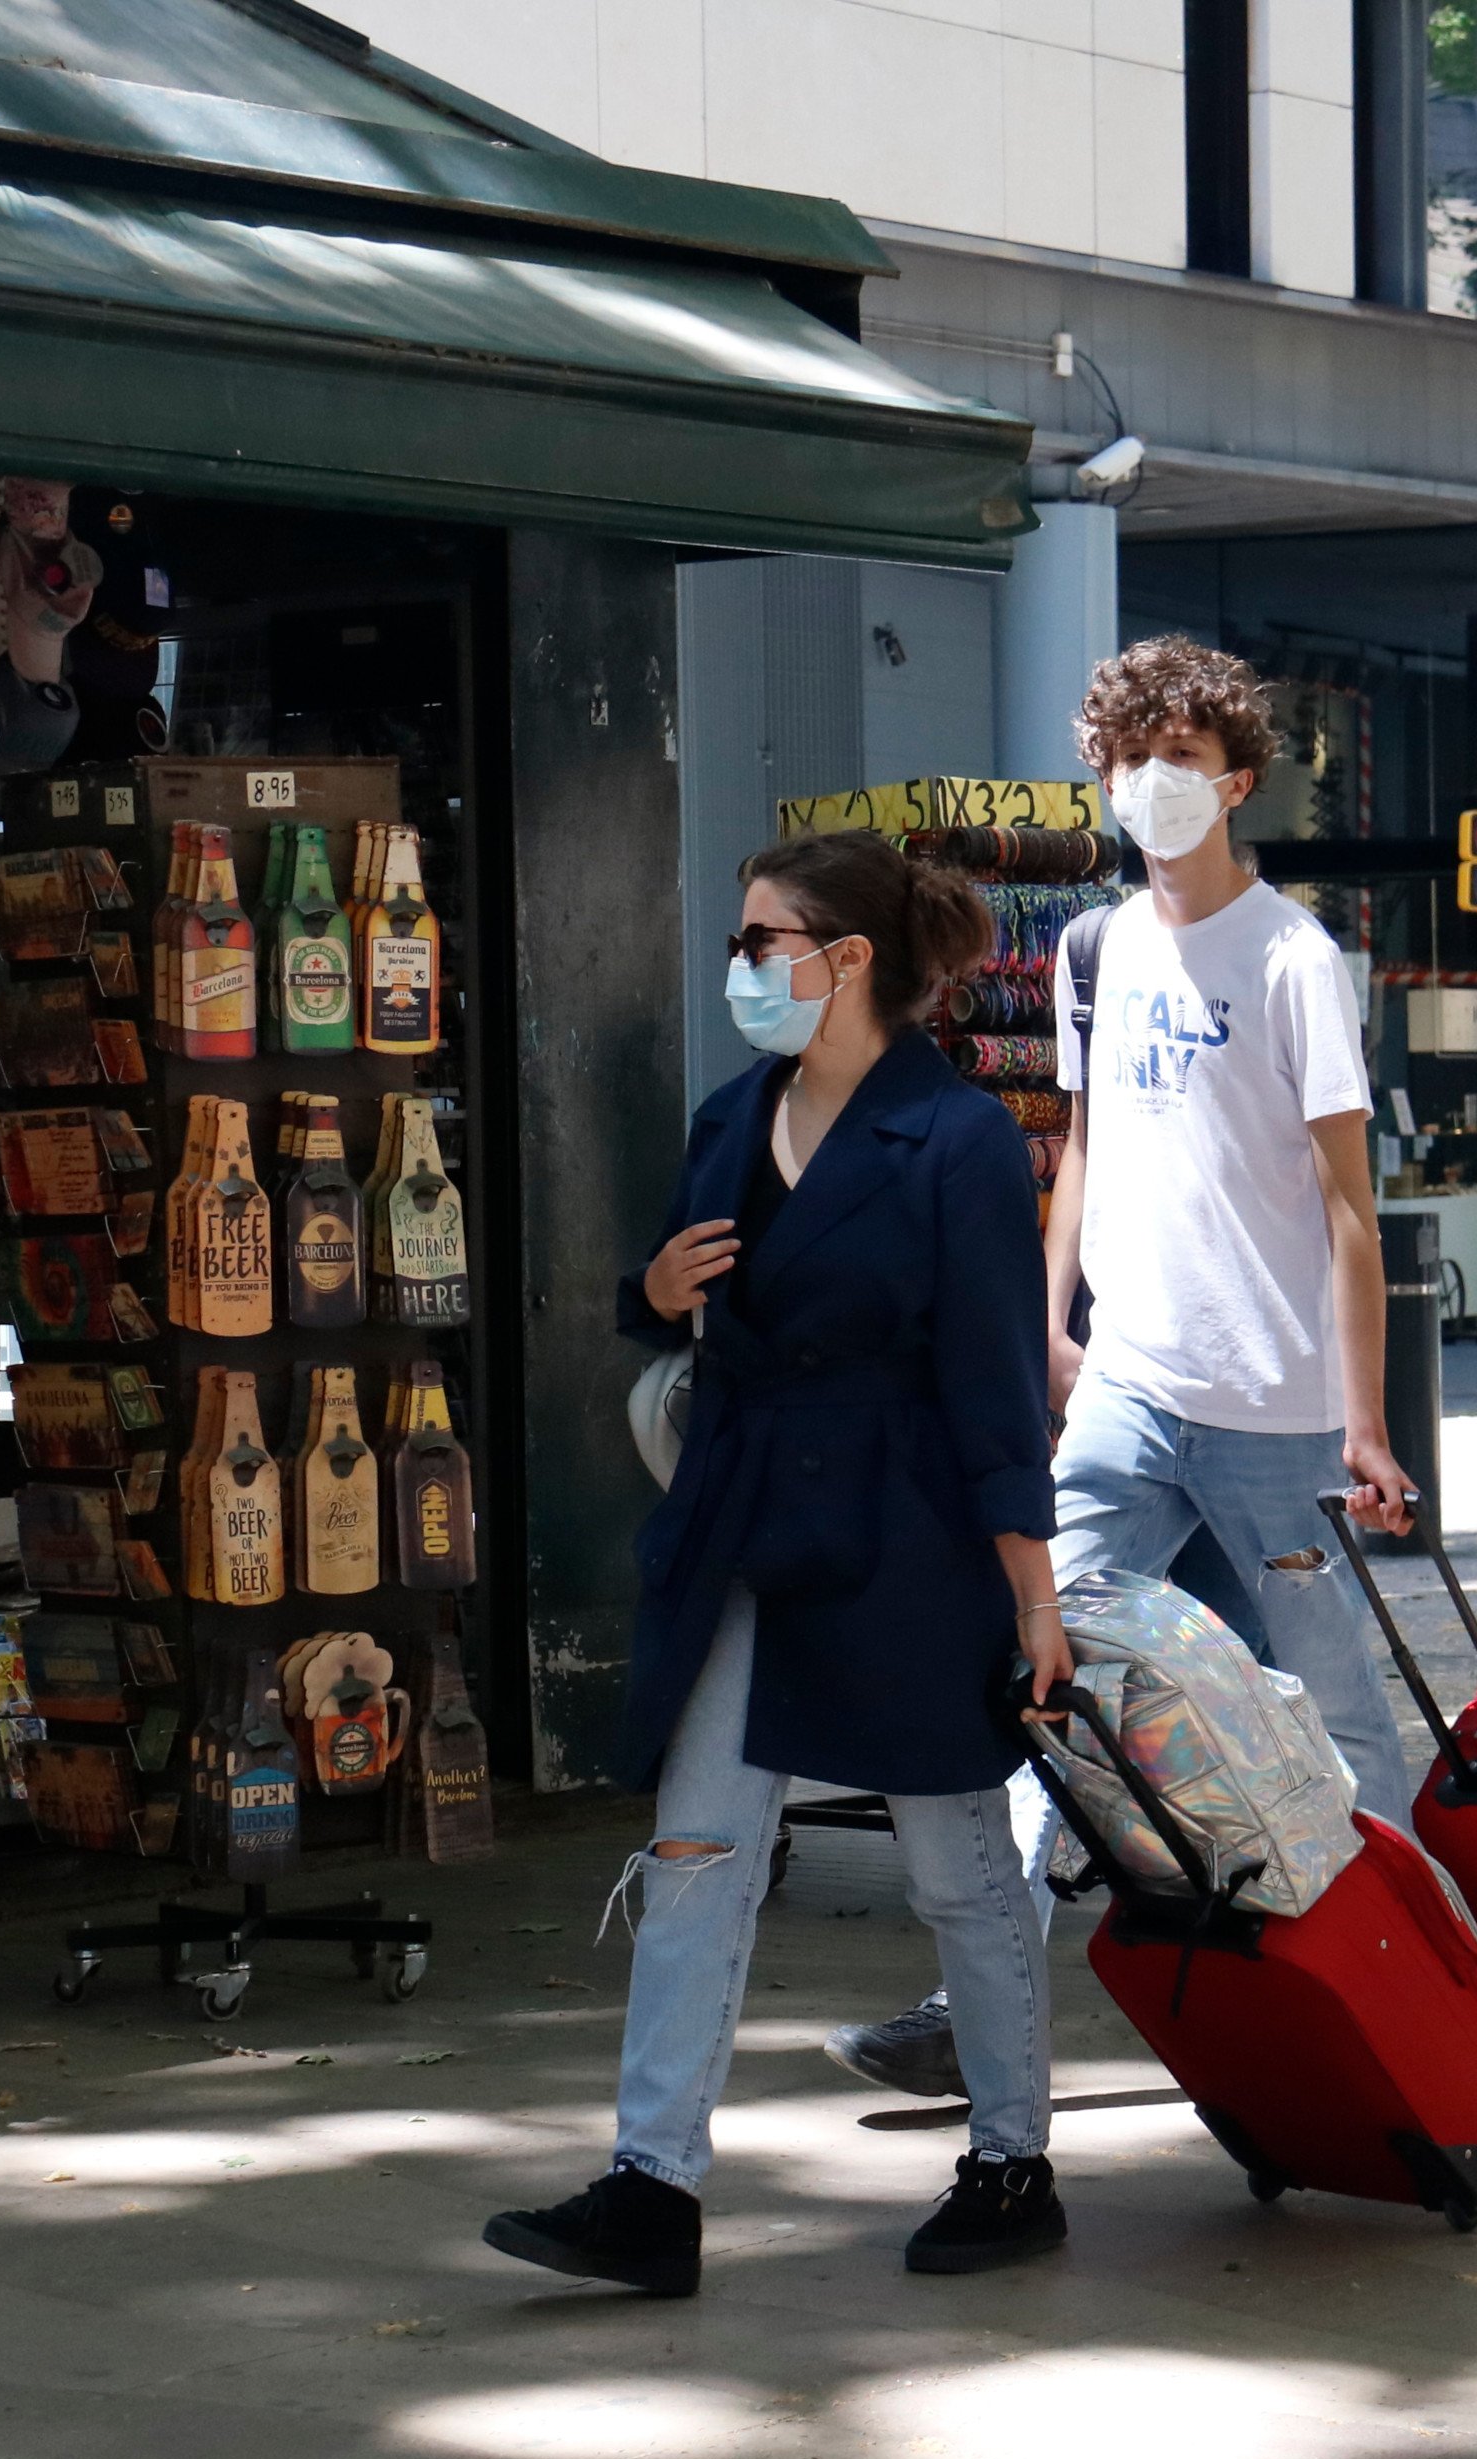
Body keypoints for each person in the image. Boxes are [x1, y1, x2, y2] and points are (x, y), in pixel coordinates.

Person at [482, 832, 1070, 2296]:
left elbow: (997, 1387)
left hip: (905, 1536)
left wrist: (1032, 1589)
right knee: (695, 1853)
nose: (741, 969)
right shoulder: (733, 1114)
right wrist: (652, 1293)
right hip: (746, 1515)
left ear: (847, 959)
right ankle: (651, 2184)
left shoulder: (959, 1139)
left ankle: (1012, 2159)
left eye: (761, 943)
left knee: (956, 1867)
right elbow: (694, 1303)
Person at [825, 636, 1413, 2099]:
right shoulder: (1094, 948)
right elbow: (1081, 1148)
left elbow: (1352, 1205)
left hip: (1276, 1412)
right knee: (1041, 1678)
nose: (1153, 787)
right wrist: (1042, 1323)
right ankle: (979, 2010)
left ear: (1237, 782)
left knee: (1336, 1705)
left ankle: (1421, 1971)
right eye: (1129, 760)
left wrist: (1371, 1425)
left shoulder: (1293, 959)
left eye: (1183, 763)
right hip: (1131, 1392)